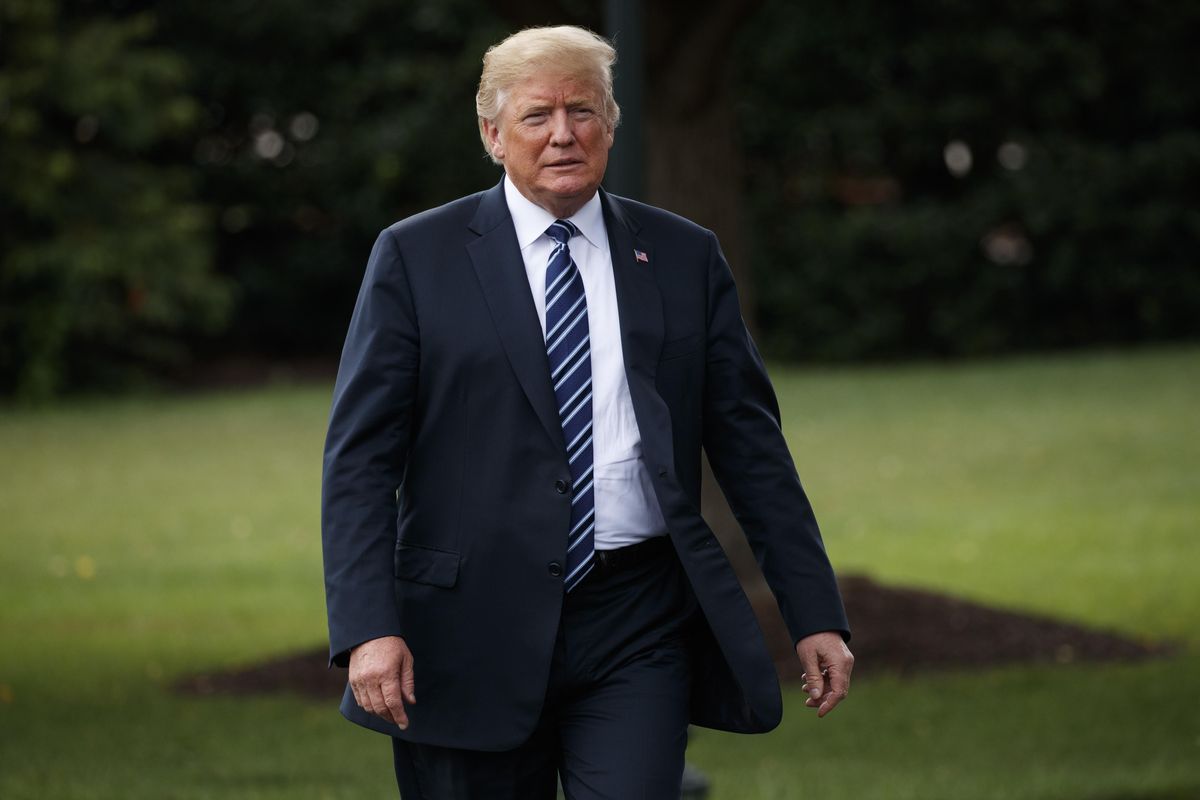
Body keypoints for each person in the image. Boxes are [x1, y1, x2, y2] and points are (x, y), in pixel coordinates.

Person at [321, 24, 853, 800]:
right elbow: (360, 461)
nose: (564, 135)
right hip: (467, 627)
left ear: (610, 125)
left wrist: (815, 613)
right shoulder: (415, 257)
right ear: (492, 135)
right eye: (537, 116)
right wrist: (368, 626)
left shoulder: (682, 255)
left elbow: (750, 446)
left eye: (584, 111)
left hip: (635, 620)